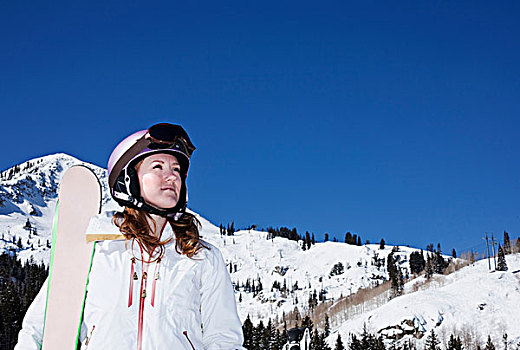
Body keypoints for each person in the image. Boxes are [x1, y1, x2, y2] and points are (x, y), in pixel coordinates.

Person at [15, 123, 246, 349]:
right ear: (129, 180)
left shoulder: (202, 257)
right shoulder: (94, 248)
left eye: (176, 169)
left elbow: (224, 339)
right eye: (158, 167)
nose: (172, 177)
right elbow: (39, 328)